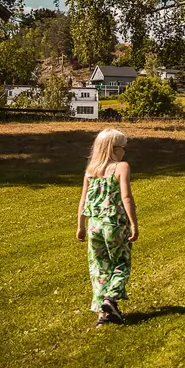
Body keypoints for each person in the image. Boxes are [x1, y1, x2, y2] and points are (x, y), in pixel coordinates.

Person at [76, 128, 139, 327]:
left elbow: (83, 199)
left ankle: (104, 315)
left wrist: (80, 226)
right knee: (121, 262)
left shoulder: (90, 171)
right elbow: (126, 197)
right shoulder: (121, 167)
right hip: (115, 223)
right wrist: (133, 223)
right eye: (123, 148)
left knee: (99, 266)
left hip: (94, 225)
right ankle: (110, 300)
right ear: (113, 149)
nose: (124, 152)